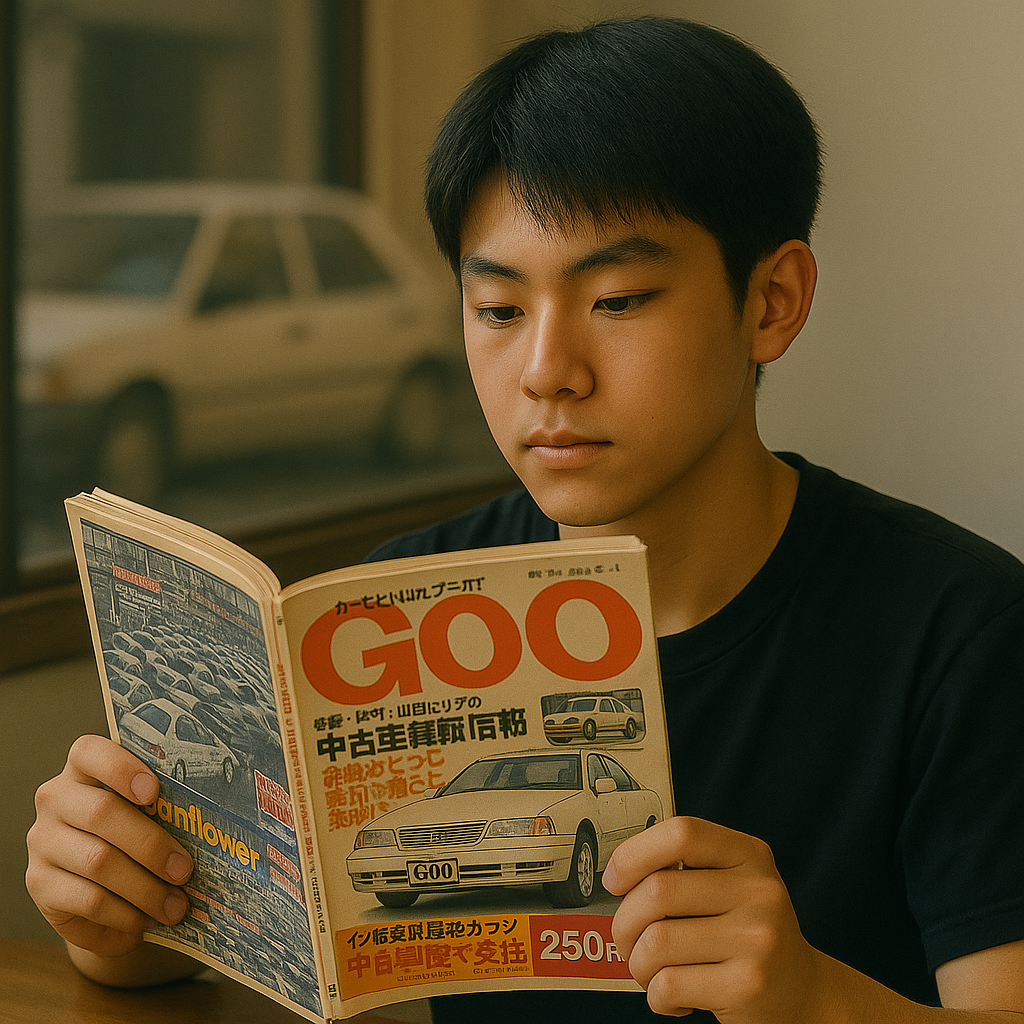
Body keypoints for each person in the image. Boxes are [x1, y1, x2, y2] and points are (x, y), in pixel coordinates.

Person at [26, 16, 1024, 1024]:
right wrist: (112, 908)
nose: (546, 370)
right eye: (498, 309)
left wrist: (817, 1000)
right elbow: (214, 957)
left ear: (770, 300)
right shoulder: (399, 608)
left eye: (620, 298)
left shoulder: (962, 633)